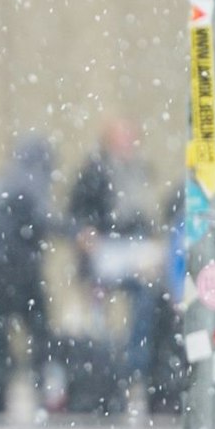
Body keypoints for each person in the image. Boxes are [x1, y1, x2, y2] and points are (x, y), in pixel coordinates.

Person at [0, 136, 66, 414]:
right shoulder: (29, 184)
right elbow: (44, 218)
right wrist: (77, 232)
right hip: (24, 276)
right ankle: (44, 395)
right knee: (40, 337)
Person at [69, 118, 159, 377]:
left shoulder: (141, 171)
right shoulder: (95, 172)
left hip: (132, 248)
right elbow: (78, 214)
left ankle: (133, 364)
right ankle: (103, 364)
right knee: (98, 307)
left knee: (145, 297)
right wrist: (87, 234)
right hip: (105, 248)